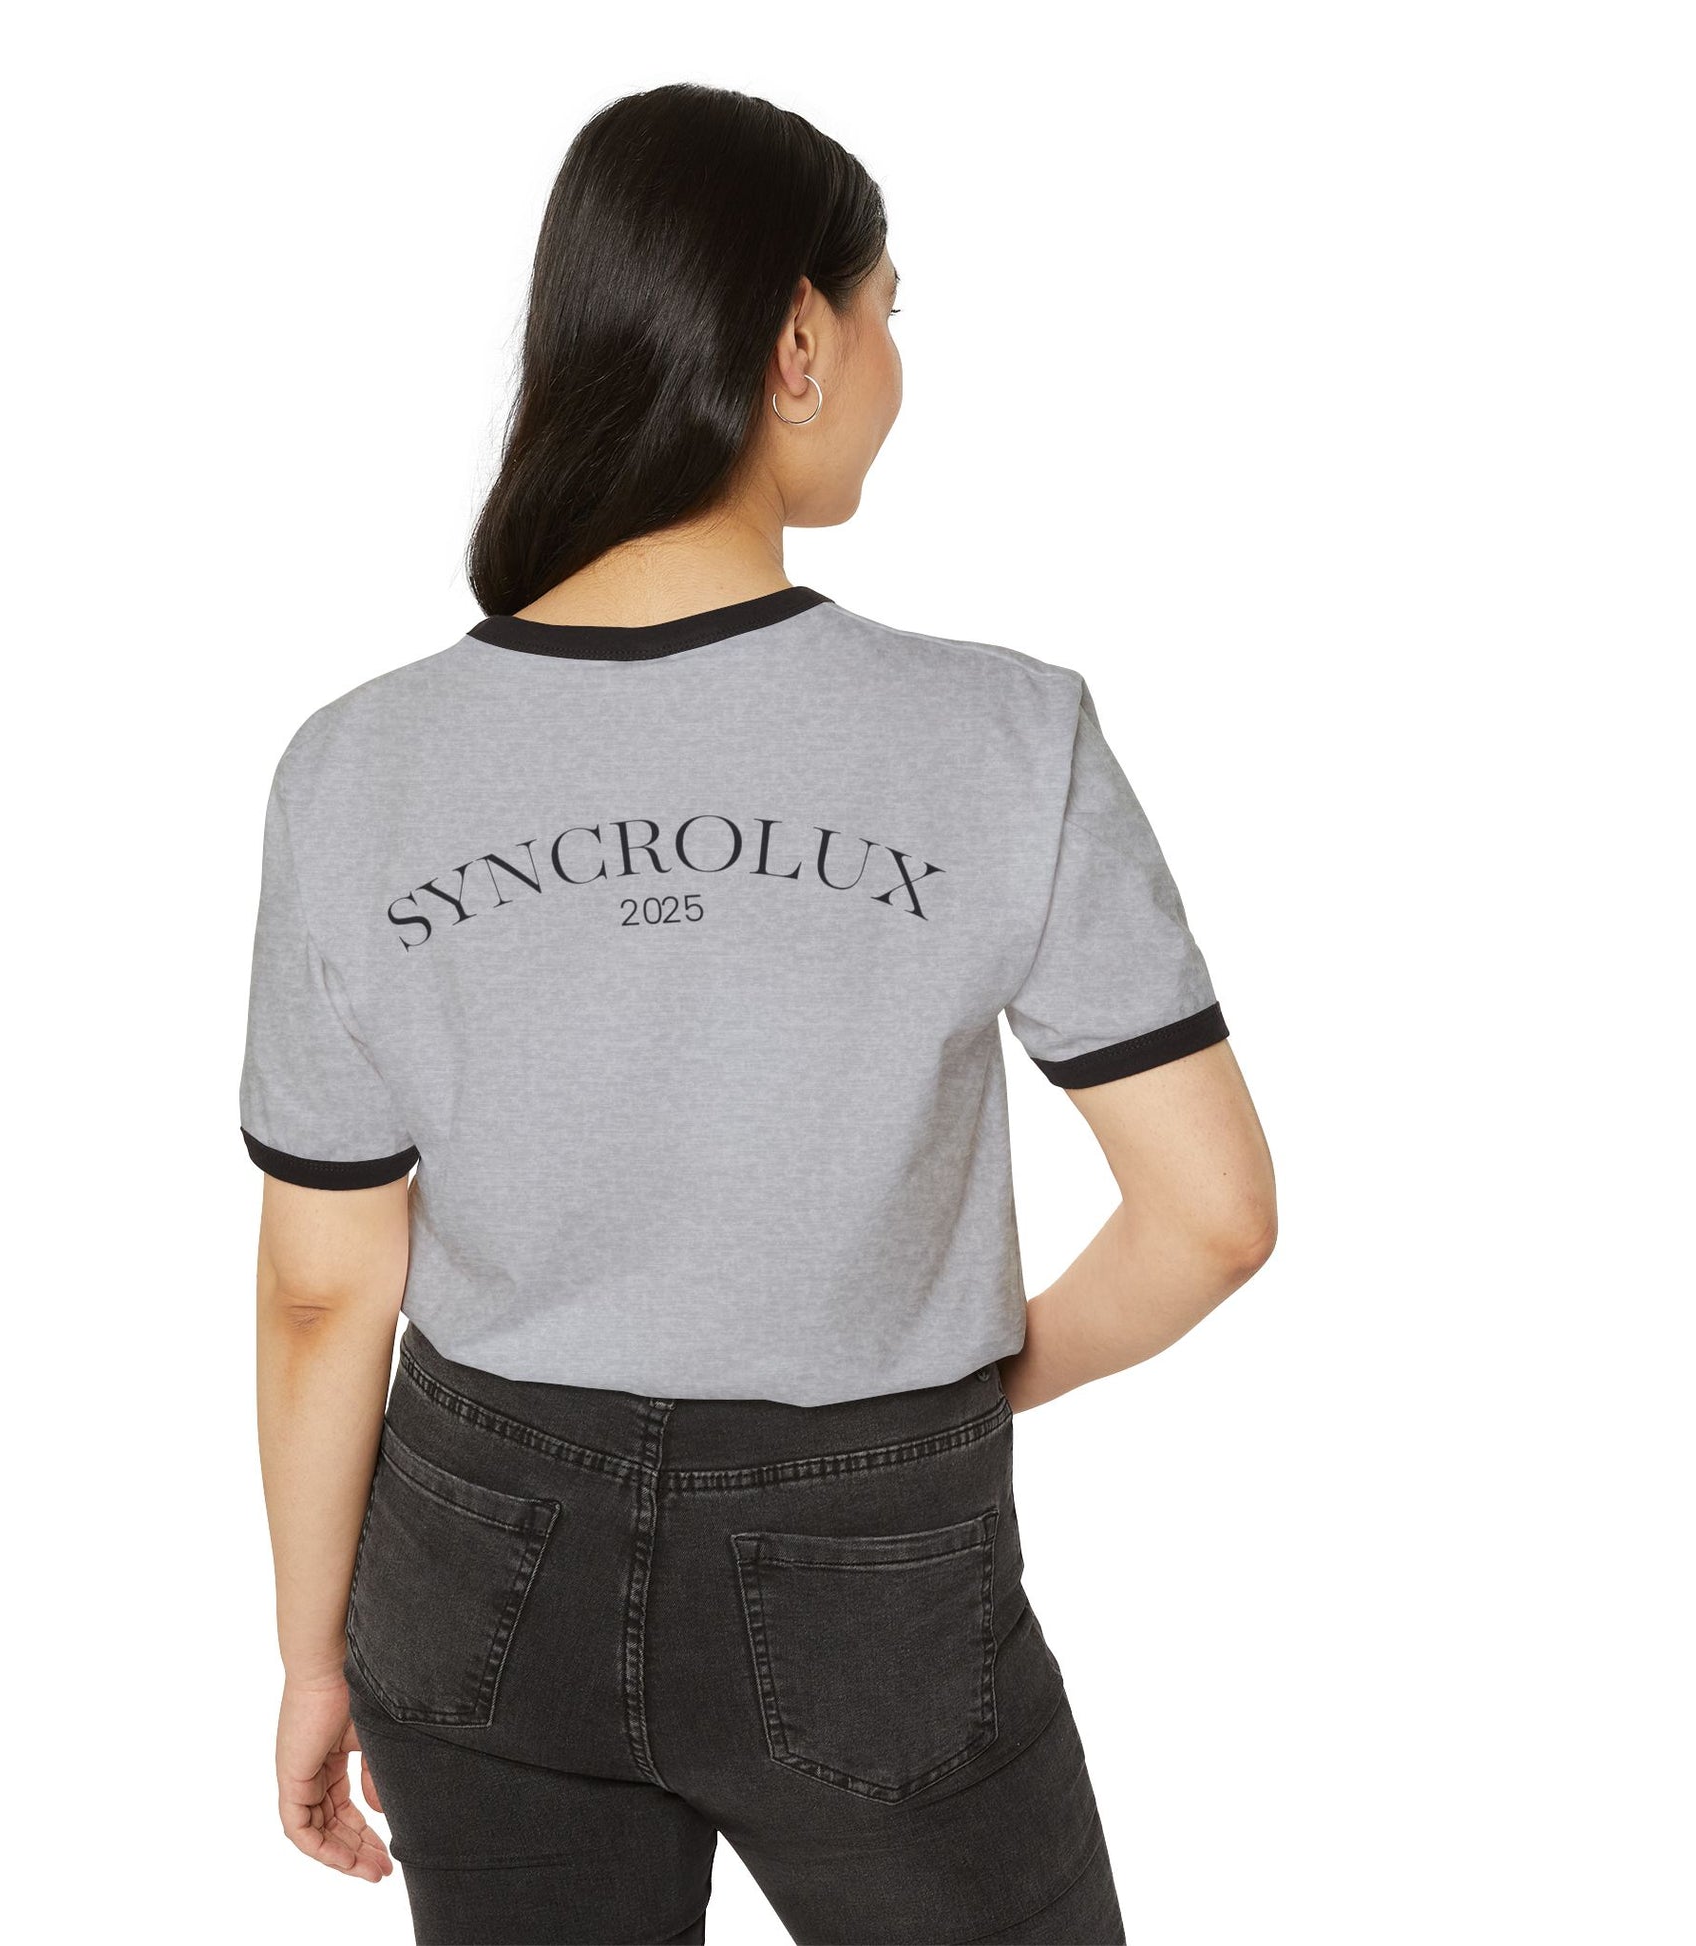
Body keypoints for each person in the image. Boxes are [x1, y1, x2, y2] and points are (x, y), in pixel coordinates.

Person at [241, 81, 1276, 1946]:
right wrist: (951, 1398)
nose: (892, 362)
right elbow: (1210, 1217)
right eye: (890, 311)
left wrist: (315, 1653)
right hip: (870, 1562)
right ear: (798, 340)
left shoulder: (355, 766)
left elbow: (326, 1290)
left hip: (473, 1567)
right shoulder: (1002, 736)